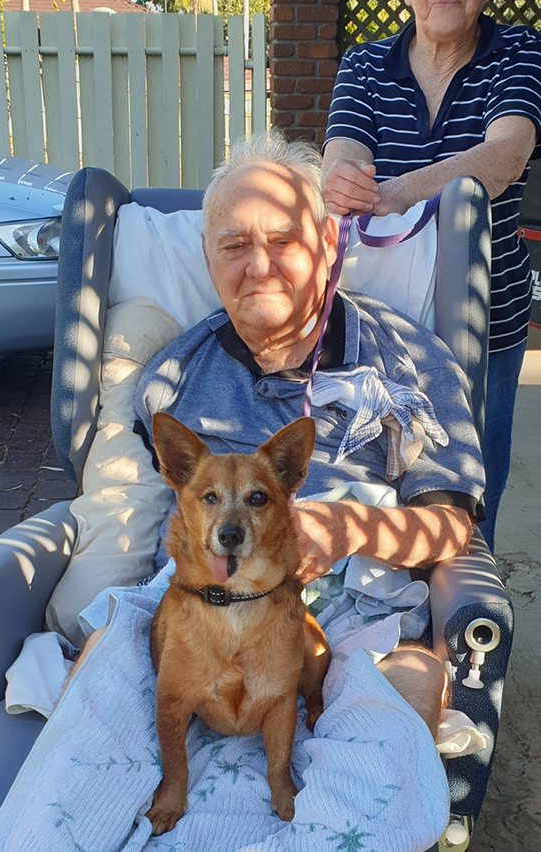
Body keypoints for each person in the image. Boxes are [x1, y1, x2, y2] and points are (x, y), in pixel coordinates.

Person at [135, 131, 484, 740]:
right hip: (201, 612)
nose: (259, 266)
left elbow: (452, 526)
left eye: (282, 241)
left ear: (327, 243)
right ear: (207, 256)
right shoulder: (171, 376)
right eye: (235, 245)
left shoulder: (409, 361)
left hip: (355, 624)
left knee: (412, 685)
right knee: (97, 674)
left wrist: (350, 528)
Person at [321, 0, 541, 552]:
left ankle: (470, 630)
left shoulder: (520, 52)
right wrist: (344, 181)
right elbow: (341, 160)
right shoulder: (363, 65)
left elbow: (505, 156)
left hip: (488, 323)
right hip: (381, 320)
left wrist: (396, 189)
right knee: (373, 475)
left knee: (471, 488)